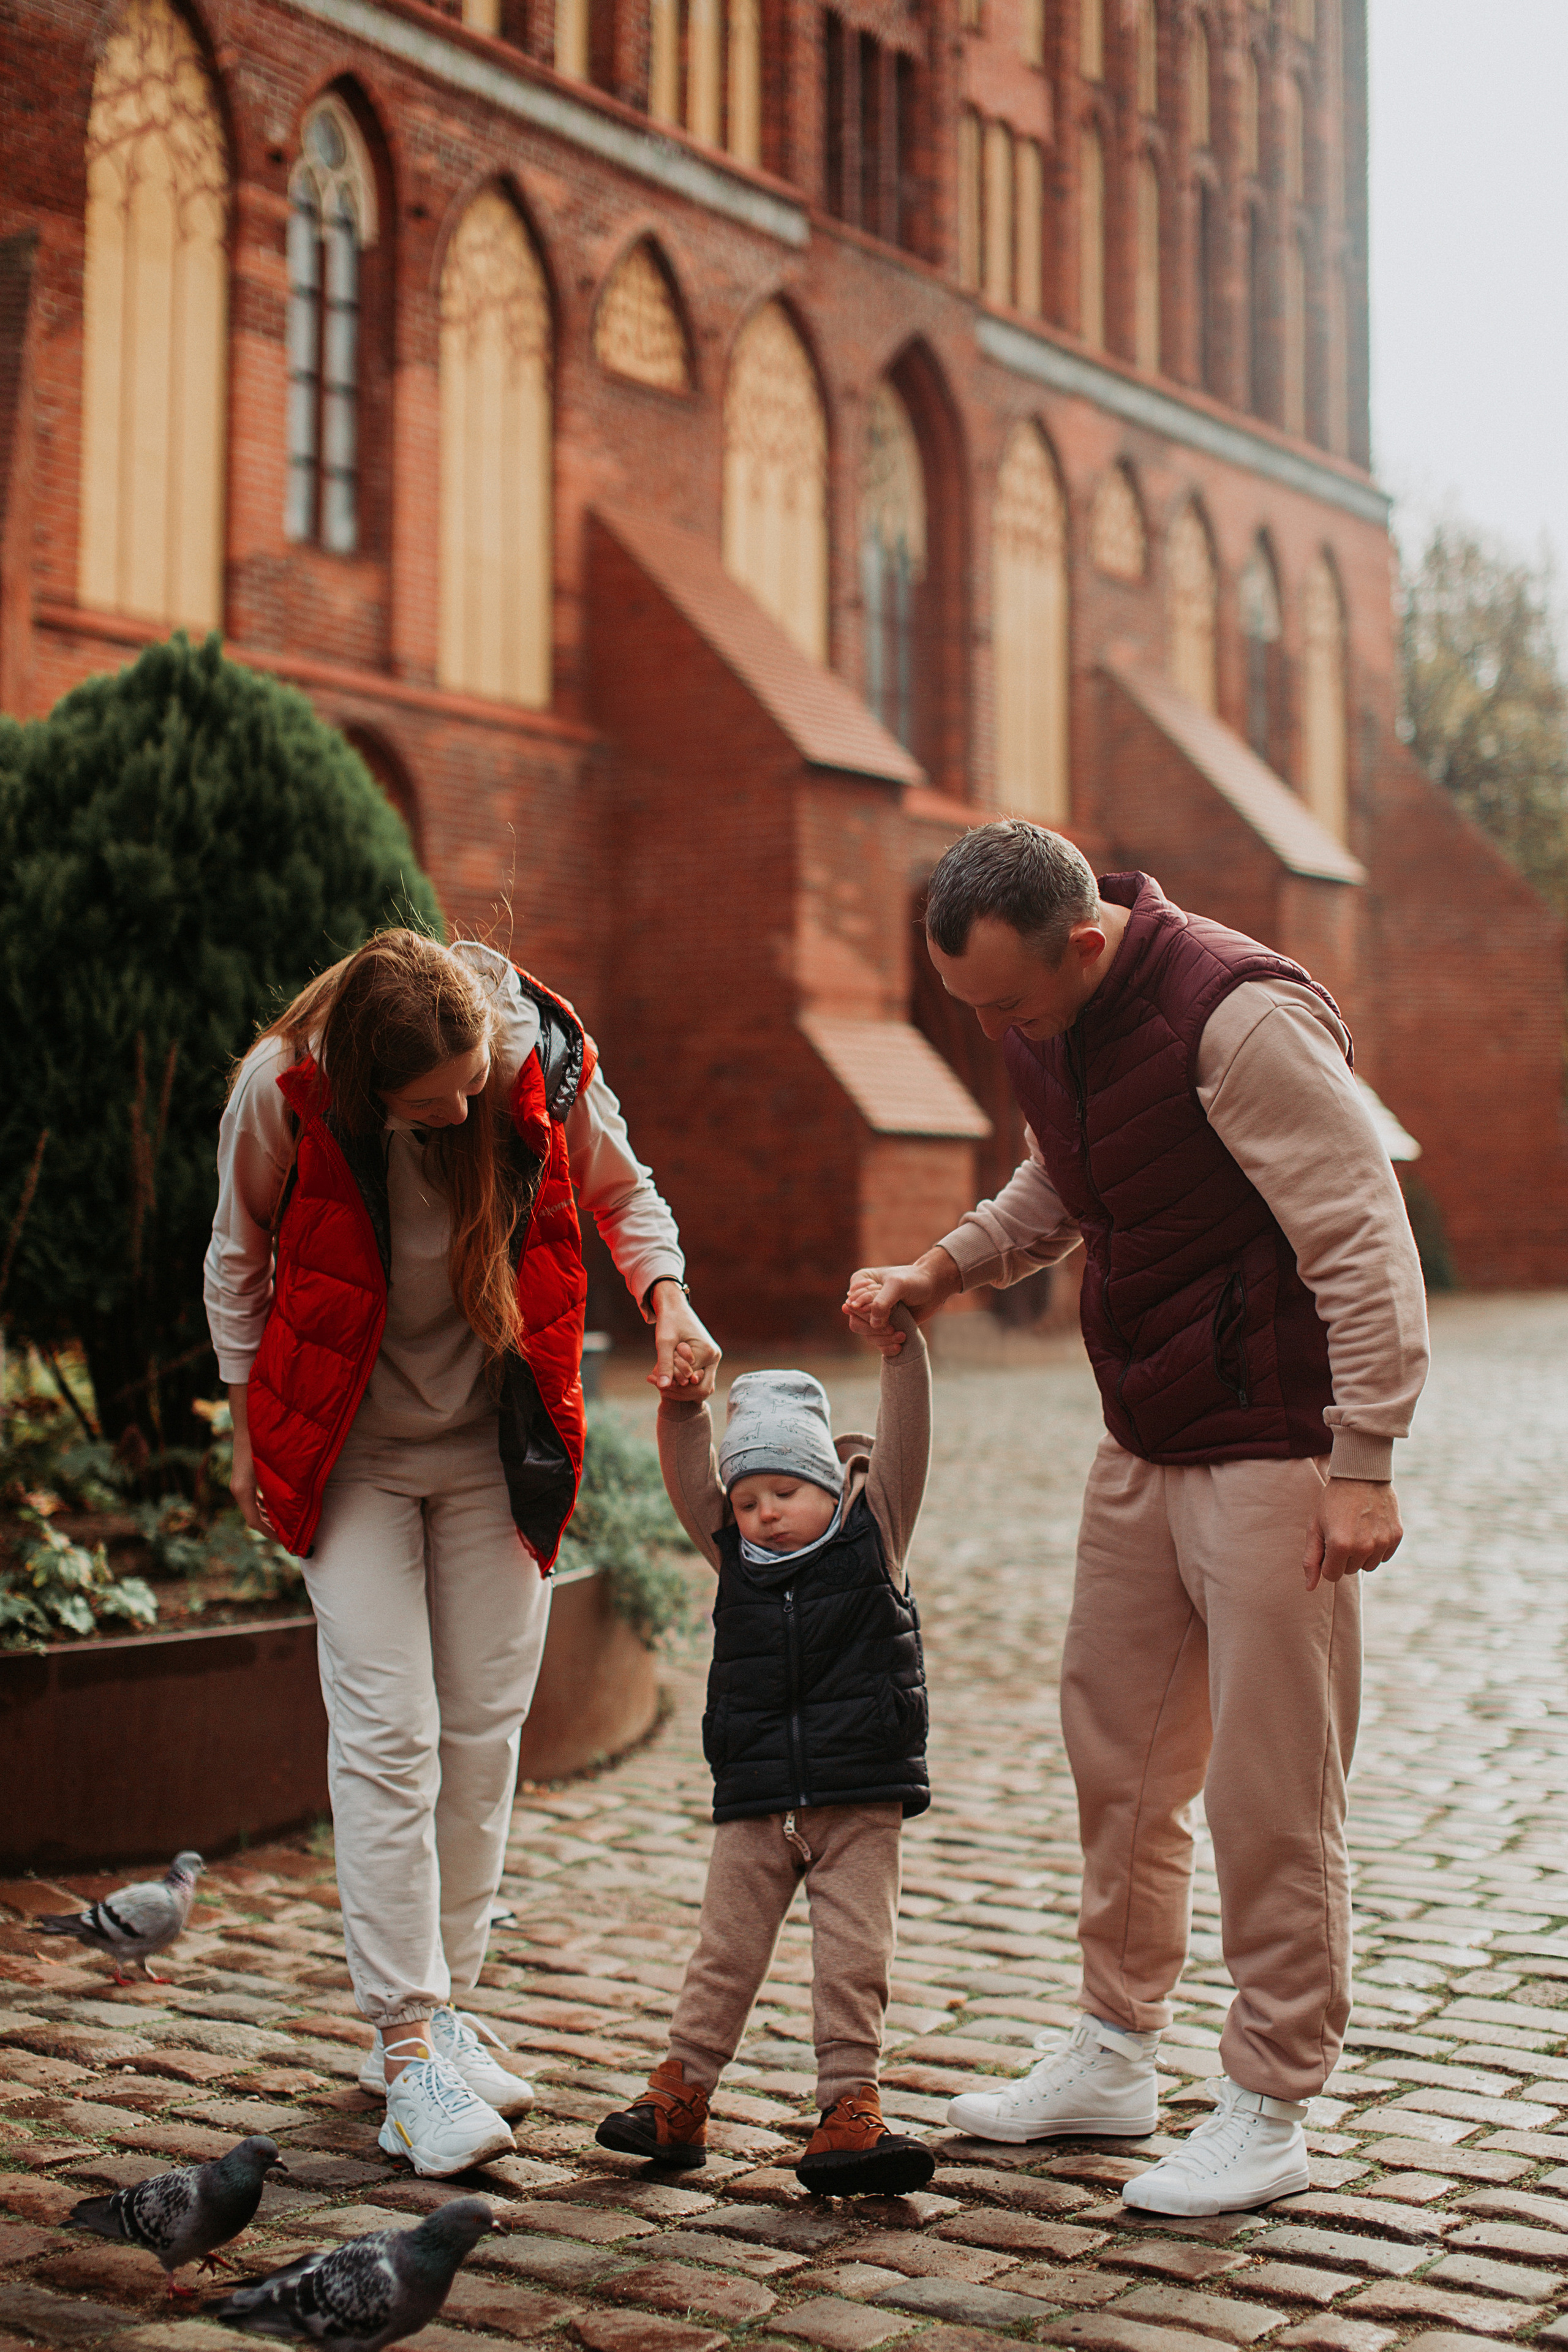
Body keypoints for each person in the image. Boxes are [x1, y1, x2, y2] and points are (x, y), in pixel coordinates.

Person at [845, 823, 1428, 2218]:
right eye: (973, 1006)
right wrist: (945, 1267)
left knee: (1269, 1790)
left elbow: (1359, 1228)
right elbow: (1069, 1177)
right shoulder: (1052, 1010)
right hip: (1144, 1435)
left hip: (1275, 1446)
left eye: (1008, 1007)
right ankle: (1113, 2051)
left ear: (1087, 946)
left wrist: (1364, 1457)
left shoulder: (1239, 1018)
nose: (993, 1031)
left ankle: (1272, 2099)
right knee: (1116, 1757)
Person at [205, 929, 719, 2179]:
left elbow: (622, 1195)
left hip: (497, 1446)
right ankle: (405, 2046)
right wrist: (240, 1417)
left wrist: (668, 1297)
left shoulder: (535, 1057)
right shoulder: (282, 1091)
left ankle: (441, 2005)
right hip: (354, 1455)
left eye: (469, 1089)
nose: (459, 1114)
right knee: (388, 1732)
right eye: (426, 1110)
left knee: (486, 1729)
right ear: (367, 1088)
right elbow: (236, 1258)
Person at [595, 1307, 935, 2195]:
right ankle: (681, 2097)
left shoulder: (875, 1535)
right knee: (724, 1951)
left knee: (856, 1958)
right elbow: (689, 1481)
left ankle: (848, 2110)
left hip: (859, 1795)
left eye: (783, 1491)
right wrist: (682, 1407)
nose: (763, 1513)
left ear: (828, 1484)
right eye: (748, 1500)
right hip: (756, 1798)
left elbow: (906, 1443)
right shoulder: (737, 1561)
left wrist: (903, 1352)